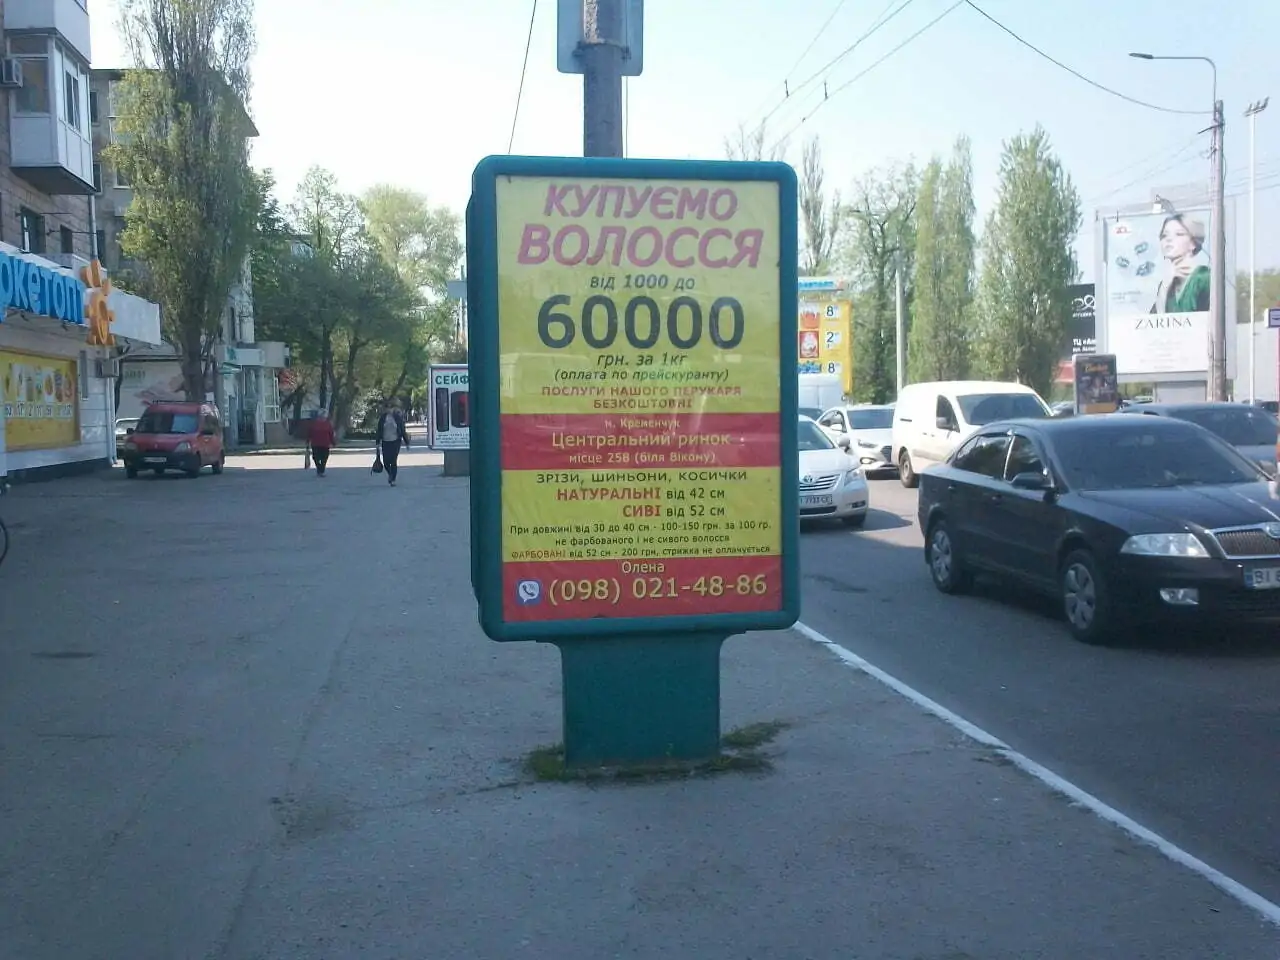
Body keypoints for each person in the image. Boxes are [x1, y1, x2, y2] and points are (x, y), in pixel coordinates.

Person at [1150, 214, 1210, 314]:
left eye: (1179, 234)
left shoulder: (1204, 278)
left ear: (1193, 243)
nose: (1168, 239)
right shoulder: (1167, 282)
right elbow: (1156, 320)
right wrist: (1164, 289)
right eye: (1164, 235)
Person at [375, 400, 410, 486]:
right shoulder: (383, 418)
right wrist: (377, 442)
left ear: (393, 408)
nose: (389, 409)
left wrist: (407, 443)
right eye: (387, 408)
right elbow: (379, 430)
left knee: (393, 460)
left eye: (390, 408)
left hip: (395, 442)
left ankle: (393, 479)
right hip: (385, 442)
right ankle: (390, 474)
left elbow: (402, 430)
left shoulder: (397, 418)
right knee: (386, 461)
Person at [308, 412, 336, 477]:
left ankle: (320, 469)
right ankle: (321, 469)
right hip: (323, 444)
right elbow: (331, 434)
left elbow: (309, 434)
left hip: (317, 444)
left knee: (317, 457)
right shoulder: (327, 424)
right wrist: (333, 442)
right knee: (323, 458)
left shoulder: (314, 424)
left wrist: (308, 441)